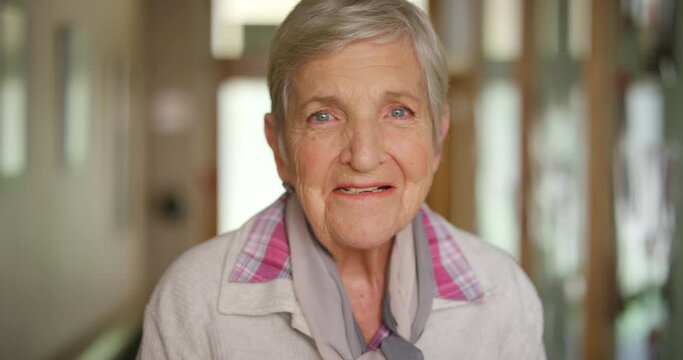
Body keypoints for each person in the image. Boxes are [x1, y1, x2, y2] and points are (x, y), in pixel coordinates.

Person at [138, 0, 545, 359]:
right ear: (279, 147)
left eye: (398, 112)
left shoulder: (503, 293)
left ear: (437, 136)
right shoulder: (194, 300)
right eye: (323, 116)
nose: (364, 156)